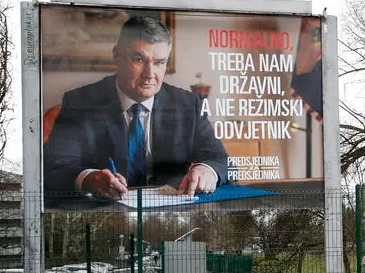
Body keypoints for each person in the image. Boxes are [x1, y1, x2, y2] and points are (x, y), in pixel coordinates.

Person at [44, 16, 228, 200]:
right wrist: (90, 179)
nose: (149, 74)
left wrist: (206, 170)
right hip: (104, 215)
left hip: (173, 213)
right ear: (116, 56)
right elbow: (55, 167)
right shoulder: (80, 102)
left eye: (159, 62)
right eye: (139, 59)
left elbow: (221, 160)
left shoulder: (188, 105)